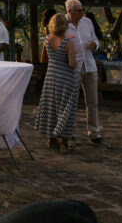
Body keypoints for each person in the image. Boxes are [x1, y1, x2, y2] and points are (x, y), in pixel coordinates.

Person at [34, 13, 79, 152]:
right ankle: (64, 143)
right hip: (66, 79)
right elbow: (72, 64)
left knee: (52, 107)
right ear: (65, 25)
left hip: (51, 77)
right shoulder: (69, 43)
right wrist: (74, 51)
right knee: (66, 110)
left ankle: (51, 138)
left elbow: (47, 57)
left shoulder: (48, 39)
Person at [65, 0, 104, 146]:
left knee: (92, 102)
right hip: (73, 66)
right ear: (70, 11)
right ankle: (70, 132)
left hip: (89, 65)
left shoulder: (87, 22)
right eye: (79, 10)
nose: (82, 13)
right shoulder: (63, 22)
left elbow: (95, 38)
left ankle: (94, 132)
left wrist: (95, 45)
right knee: (71, 101)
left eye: (82, 10)